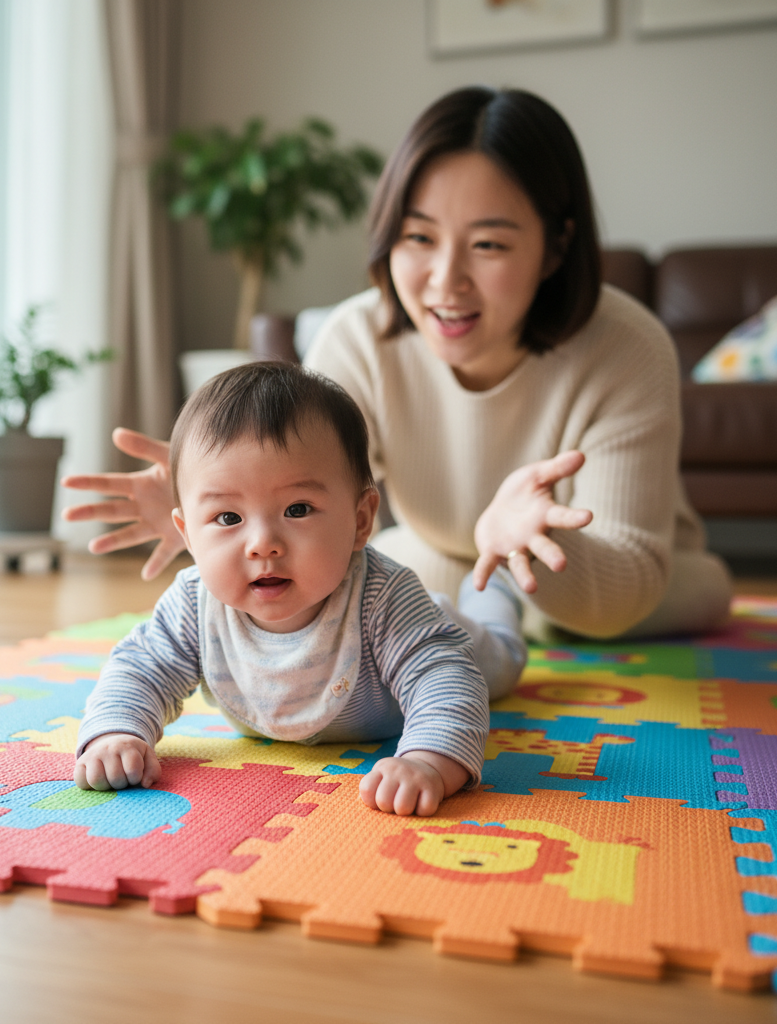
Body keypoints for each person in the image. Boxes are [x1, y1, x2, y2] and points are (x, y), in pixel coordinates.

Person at [63, 86, 731, 640]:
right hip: (440, 551)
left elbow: (626, 584)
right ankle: (499, 607)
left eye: (490, 245)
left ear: (556, 247)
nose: (446, 281)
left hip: (606, 574)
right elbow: (313, 510)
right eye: (418, 237)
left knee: (655, 604)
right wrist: (214, 502)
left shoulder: (627, 346)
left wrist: (523, 546)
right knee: (377, 576)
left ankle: (521, 606)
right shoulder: (358, 338)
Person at [75, 362, 527, 817]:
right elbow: (141, 667)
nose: (262, 544)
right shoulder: (194, 603)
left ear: (361, 520)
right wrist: (117, 732)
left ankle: (494, 592)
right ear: (187, 534)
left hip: (445, 634)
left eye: (297, 509)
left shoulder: (384, 598)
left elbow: (444, 679)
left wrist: (428, 761)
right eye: (228, 518)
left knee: (501, 657)